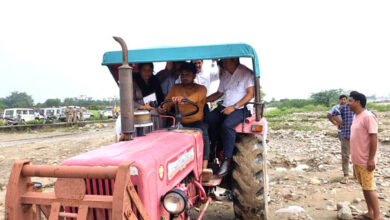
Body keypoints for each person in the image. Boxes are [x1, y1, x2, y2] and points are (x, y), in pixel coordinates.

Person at [158, 62, 211, 176]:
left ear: (194, 75)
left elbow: (195, 98)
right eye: (182, 75)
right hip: (179, 122)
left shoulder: (201, 89)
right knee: (165, 137)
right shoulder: (175, 88)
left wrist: (183, 99)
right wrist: (163, 107)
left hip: (196, 122)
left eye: (187, 74)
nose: (184, 77)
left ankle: (204, 168)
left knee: (204, 133)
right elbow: (167, 102)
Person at [205, 58, 254, 177]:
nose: (223, 63)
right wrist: (202, 100)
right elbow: (219, 93)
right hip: (225, 105)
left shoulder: (246, 73)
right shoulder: (225, 74)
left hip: (241, 108)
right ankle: (213, 148)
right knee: (208, 119)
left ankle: (227, 160)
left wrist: (234, 107)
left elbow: (251, 94)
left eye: (226, 61)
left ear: (235, 60)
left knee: (227, 125)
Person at [348, 91, 380, 220]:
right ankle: (370, 213)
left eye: (350, 101)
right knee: (365, 188)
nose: (348, 104)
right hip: (357, 160)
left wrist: (371, 159)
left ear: (357, 102)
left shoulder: (368, 116)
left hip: (365, 161)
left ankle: (377, 217)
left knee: (369, 189)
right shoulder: (356, 115)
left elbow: (374, 137)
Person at [116, 62, 164, 141]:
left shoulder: (155, 81)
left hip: (153, 112)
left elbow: (160, 98)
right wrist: (143, 107)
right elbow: (129, 101)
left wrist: (160, 107)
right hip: (137, 111)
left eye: (149, 70)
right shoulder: (132, 82)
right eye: (144, 70)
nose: (147, 73)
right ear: (139, 70)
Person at [332, 95, 354, 184]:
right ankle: (346, 175)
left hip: (357, 136)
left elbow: (373, 115)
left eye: (348, 100)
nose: (347, 101)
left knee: (356, 155)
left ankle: (357, 174)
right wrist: (339, 122)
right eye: (349, 100)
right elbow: (332, 114)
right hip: (345, 134)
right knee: (345, 156)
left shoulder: (362, 108)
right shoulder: (343, 108)